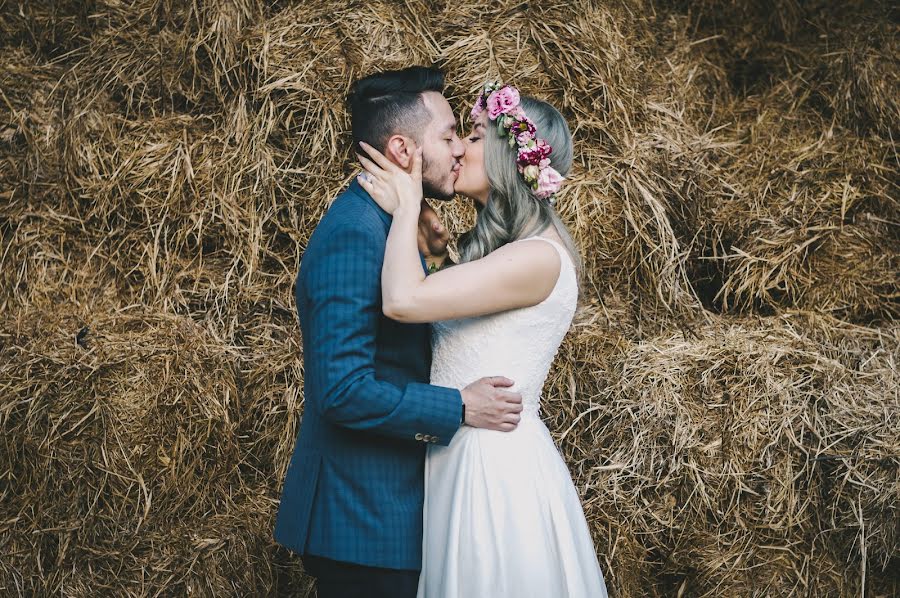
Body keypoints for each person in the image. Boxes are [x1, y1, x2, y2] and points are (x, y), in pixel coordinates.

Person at [273, 68, 525, 598]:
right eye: (449, 134)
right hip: (362, 520)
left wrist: (431, 262)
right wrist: (457, 408)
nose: (459, 149)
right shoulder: (354, 233)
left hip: (389, 512)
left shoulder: (391, 226)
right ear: (403, 149)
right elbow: (340, 390)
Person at [357, 81, 609, 597]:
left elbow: (403, 302)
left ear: (505, 155)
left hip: (493, 469)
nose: (457, 150)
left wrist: (406, 208)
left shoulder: (538, 257)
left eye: (471, 136)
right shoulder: (512, 251)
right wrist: (431, 256)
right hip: (461, 453)